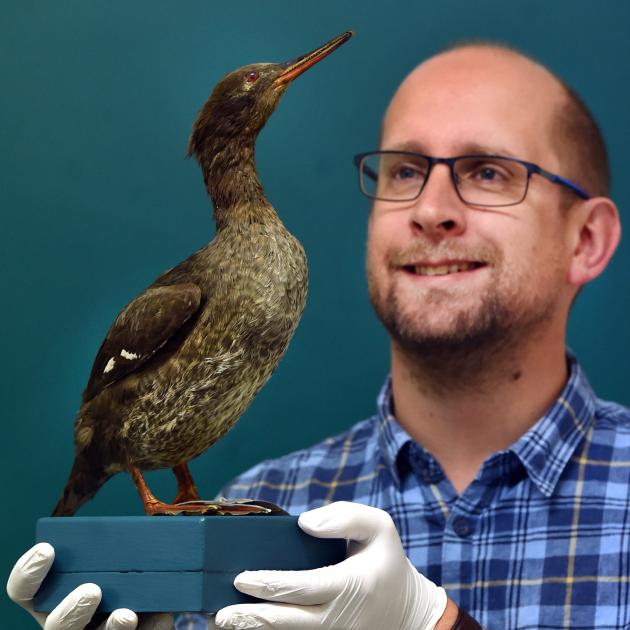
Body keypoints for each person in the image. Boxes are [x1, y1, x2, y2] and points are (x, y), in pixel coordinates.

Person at [7, 42, 629, 629]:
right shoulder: (257, 508)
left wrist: (428, 622)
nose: (431, 208)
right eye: (405, 170)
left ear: (587, 240)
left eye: (490, 172)